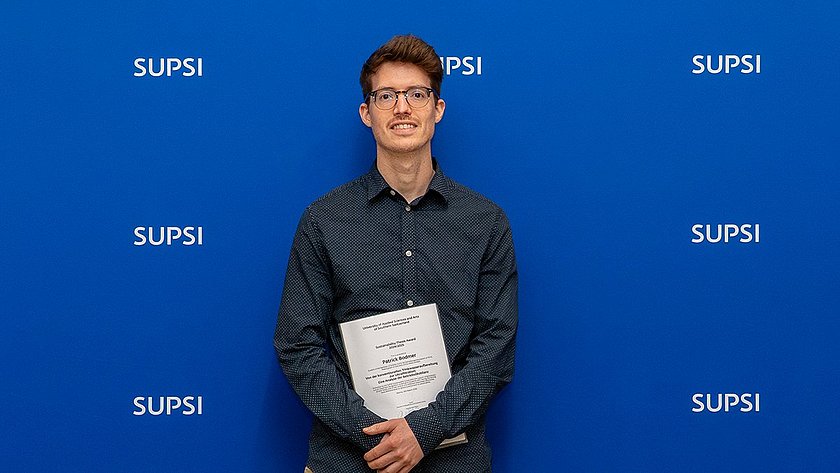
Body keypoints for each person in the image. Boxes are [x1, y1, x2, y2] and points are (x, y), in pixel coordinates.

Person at [275, 34, 518, 473]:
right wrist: (376, 433)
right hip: (345, 459)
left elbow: (495, 351)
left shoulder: (485, 222)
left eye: (416, 95)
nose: (402, 107)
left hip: (454, 459)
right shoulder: (323, 219)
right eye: (386, 96)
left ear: (437, 109)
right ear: (366, 113)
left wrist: (424, 430)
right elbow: (297, 346)